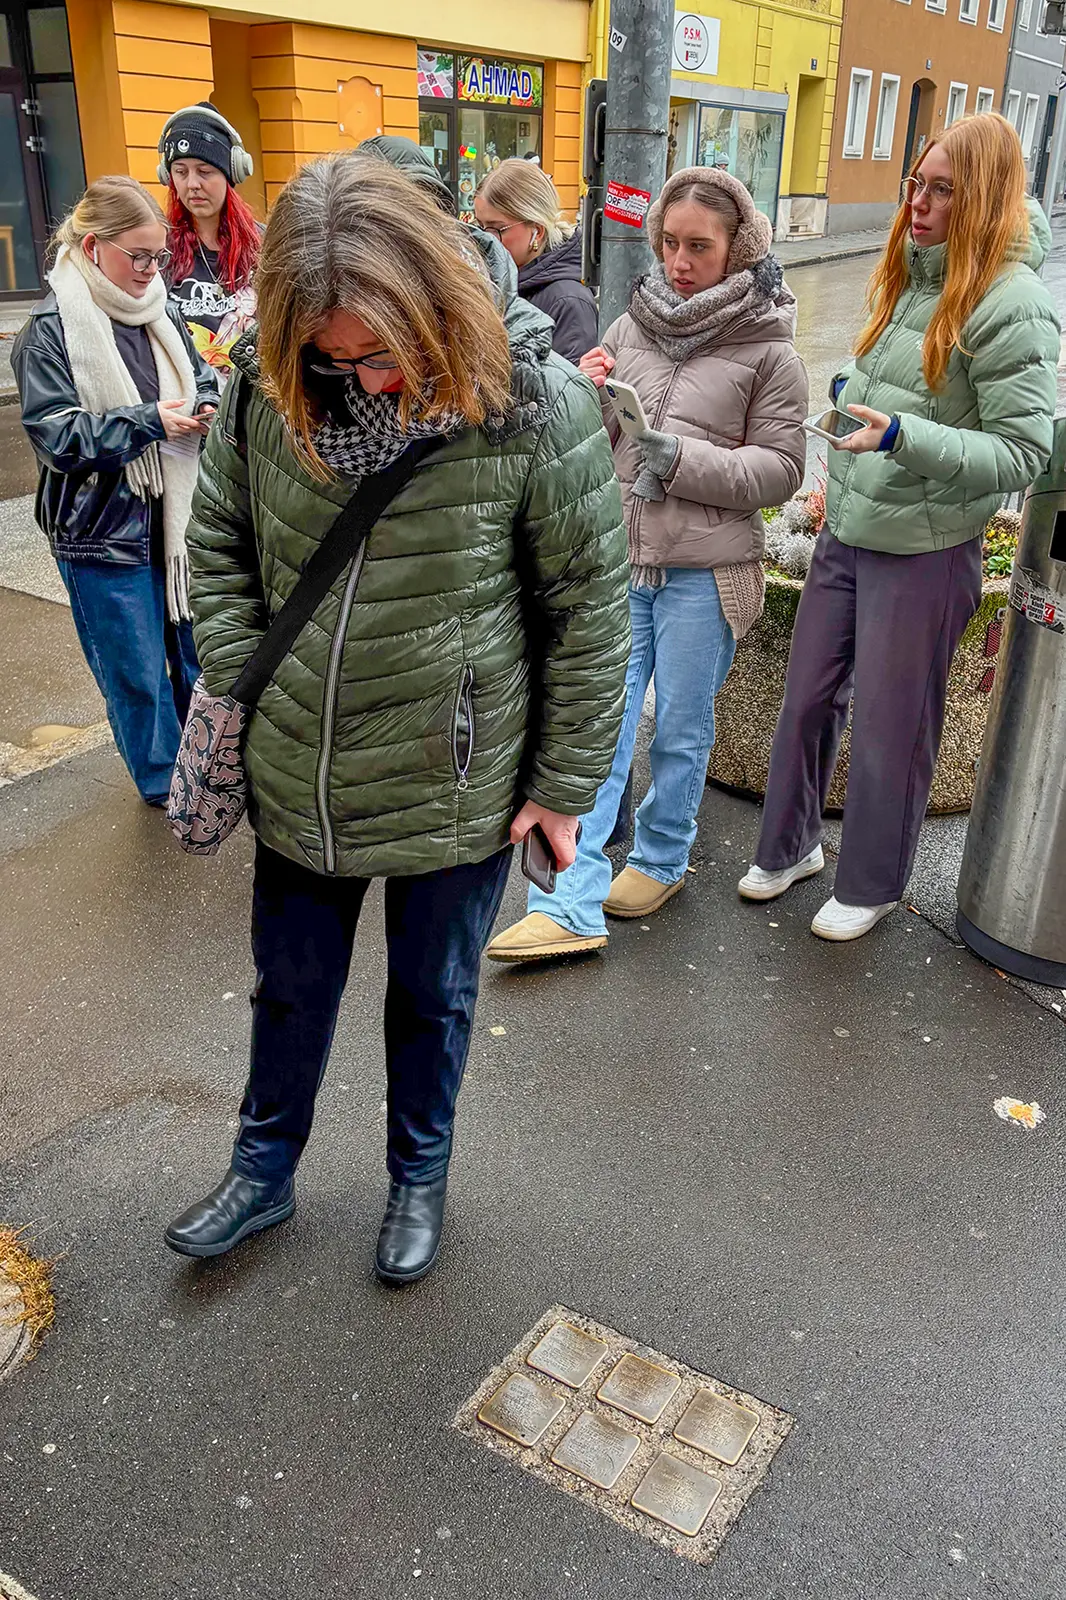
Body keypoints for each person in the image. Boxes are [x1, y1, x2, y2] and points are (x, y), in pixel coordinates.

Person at [163, 153, 630, 1281]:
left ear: (434, 302)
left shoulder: (534, 402)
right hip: (298, 765)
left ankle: (418, 1176)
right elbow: (217, 541)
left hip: (454, 775)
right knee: (290, 986)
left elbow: (588, 608)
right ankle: (261, 1170)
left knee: (434, 997)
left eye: (380, 354)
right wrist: (243, 669)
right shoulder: (270, 390)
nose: (358, 379)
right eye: (329, 358)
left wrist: (563, 784)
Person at [739, 112, 1059, 942]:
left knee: (892, 722)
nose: (918, 202)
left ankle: (874, 883)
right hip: (851, 525)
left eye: (943, 189)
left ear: (983, 195)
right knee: (806, 697)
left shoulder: (1012, 300)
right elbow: (900, 384)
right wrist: (853, 389)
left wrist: (901, 436)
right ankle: (790, 845)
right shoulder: (913, 272)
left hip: (924, 548)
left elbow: (1023, 450)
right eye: (916, 182)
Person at [487, 166, 808, 963]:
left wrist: (683, 459)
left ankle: (662, 858)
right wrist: (583, 391)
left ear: (740, 248)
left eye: (699, 246)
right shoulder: (633, 325)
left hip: (707, 572)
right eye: (669, 243)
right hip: (621, 562)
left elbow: (781, 470)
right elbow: (592, 440)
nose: (678, 262)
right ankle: (570, 901)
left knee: (681, 733)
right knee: (601, 728)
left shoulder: (770, 347)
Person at [12, 175, 219, 806]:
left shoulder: (157, 307)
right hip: (100, 533)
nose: (152, 268)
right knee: (135, 679)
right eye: (140, 255)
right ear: (95, 244)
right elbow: (57, 436)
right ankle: (165, 789)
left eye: (160, 256)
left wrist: (206, 400)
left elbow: (201, 373)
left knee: (194, 661)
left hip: (175, 524)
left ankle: (204, 774)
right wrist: (153, 420)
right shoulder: (49, 329)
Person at [159, 103, 261, 380]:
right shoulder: (157, 251)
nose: (192, 184)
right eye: (180, 172)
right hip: (187, 403)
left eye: (204, 171)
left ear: (231, 174)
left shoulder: (264, 246)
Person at [474, 159, 597, 364]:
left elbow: (570, 392)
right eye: (481, 226)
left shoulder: (569, 302)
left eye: (497, 228)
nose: (487, 239)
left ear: (537, 231)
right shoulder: (500, 281)